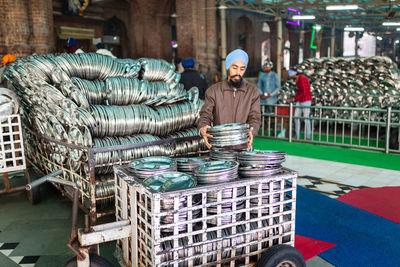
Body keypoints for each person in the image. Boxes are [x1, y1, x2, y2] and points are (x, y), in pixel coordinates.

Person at [197, 49, 261, 150]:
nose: (238, 73)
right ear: (228, 67)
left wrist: (252, 130)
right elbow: (205, 115)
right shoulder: (213, 91)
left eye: (242, 69)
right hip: (220, 147)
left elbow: (255, 117)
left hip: (243, 146)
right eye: (234, 68)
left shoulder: (252, 92)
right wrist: (203, 127)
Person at [289, 69, 312, 140]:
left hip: (306, 100)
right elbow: (300, 91)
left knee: (306, 118)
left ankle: (308, 136)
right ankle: (297, 135)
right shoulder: (298, 79)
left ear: (294, 74)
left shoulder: (302, 78)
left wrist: (295, 98)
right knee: (296, 117)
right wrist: (295, 98)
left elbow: (304, 91)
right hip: (300, 100)